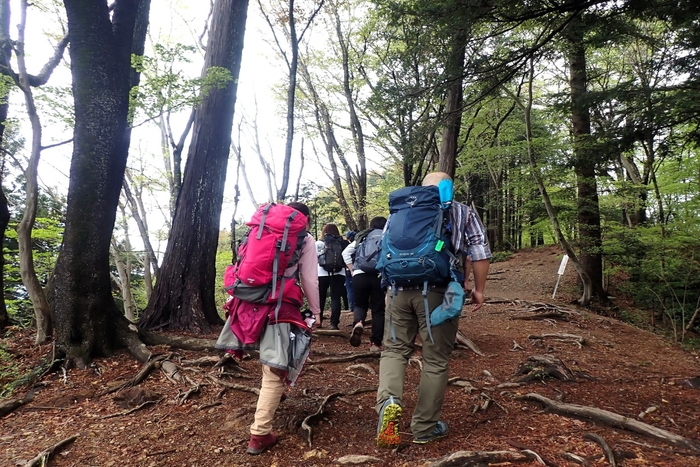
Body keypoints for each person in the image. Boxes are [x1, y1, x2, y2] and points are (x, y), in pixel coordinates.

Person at [375, 172, 491, 448]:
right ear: (448, 187)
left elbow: (384, 248)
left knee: (393, 351)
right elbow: (480, 250)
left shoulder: (400, 211)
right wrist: (479, 289)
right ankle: (424, 427)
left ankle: (388, 404)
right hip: (438, 292)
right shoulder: (460, 210)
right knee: (435, 359)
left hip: (398, 290)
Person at [215, 201, 321, 455]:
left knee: (271, 365)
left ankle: (272, 400)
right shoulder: (304, 239)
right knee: (274, 371)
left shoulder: (259, 230)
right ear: (303, 220)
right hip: (280, 304)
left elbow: (241, 264)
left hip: (247, 300)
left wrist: (232, 299)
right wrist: (316, 311)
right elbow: (308, 277)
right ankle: (260, 434)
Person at [342, 217, 387, 352]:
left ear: (371, 225)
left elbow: (346, 253)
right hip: (379, 276)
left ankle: (359, 322)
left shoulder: (364, 236)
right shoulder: (388, 236)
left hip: (360, 275)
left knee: (360, 304)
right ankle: (375, 344)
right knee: (378, 310)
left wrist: (352, 269)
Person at [315, 223, 348, 330]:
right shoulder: (343, 243)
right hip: (339, 273)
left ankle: (318, 321)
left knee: (320, 297)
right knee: (336, 298)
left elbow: (314, 259)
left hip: (321, 273)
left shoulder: (319, 243)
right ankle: (334, 324)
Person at [343, 231, 356, 311]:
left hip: (348, 269)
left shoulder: (347, 245)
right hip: (360, 270)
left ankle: (352, 307)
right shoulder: (360, 243)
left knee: (350, 289)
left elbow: (344, 254)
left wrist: (351, 268)